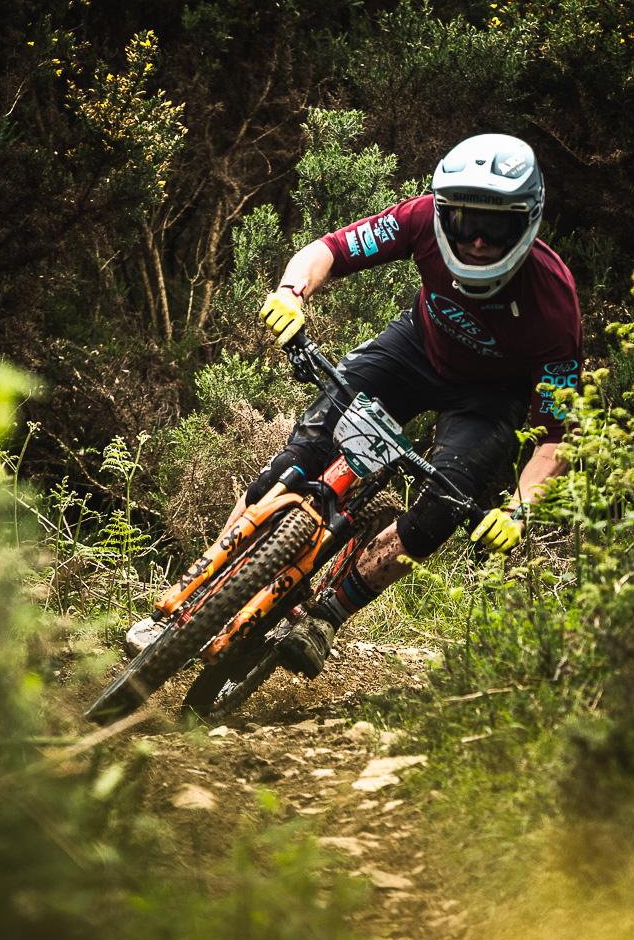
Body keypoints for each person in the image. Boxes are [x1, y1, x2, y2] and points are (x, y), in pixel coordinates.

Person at [128, 133, 580, 677]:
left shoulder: (554, 306)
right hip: (416, 350)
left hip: (487, 400)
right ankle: (188, 600)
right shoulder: (418, 220)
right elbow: (328, 251)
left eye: (496, 226)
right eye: (464, 222)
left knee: (444, 505)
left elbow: (555, 436)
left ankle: (327, 616)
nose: (478, 241)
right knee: (300, 456)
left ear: (525, 223)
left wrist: (520, 511)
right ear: (442, 216)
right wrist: (291, 294)